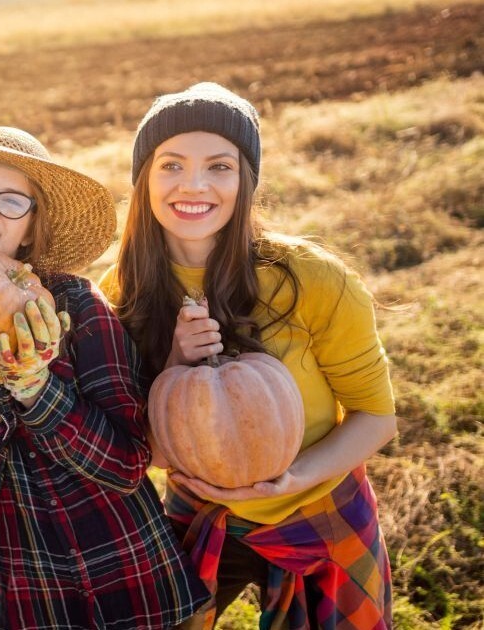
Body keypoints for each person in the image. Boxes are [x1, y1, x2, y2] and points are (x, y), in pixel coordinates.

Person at [98, 82, 398, 629]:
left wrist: (294, 477)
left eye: (219, 166)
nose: (193, 185)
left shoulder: (311, 279)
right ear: (144, 179)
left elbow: (377, 416)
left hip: (320, 506)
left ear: (246, 180)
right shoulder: (119, 295)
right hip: (202, 512)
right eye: (171, 165)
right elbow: (148, 453)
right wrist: (173, 367)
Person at [0, 126, 210, 628]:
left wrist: (37, 388)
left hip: (135, 579)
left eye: (11, 202)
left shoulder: (77, 306)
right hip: (34, 593)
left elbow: (129, 464)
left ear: (32, 226)